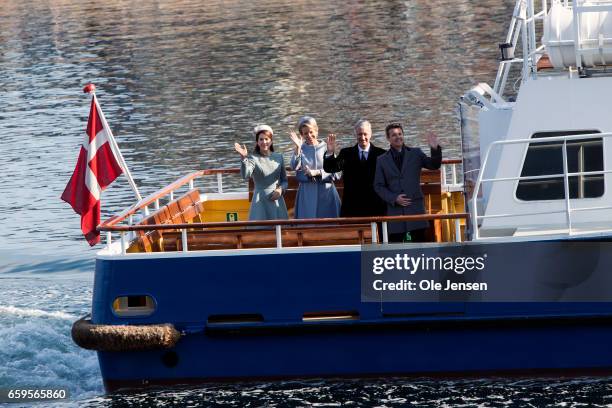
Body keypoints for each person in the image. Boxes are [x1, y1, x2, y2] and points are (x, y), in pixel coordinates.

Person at [374, 122, 442, 243]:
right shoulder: (382, 160)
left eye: (400, 134)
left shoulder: (416, 153)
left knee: (420, 246)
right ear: (388, 138)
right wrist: (394, 198)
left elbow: (434, 165)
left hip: (415, 209)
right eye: (394, 135)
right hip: (395, 212)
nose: (398, 137)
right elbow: (378, 186)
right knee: (396, 248)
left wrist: (435, 148)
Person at [323, 119, 386, 217]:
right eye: (359, 134)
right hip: (352, 206)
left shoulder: (382, 154)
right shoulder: (346, 153)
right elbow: (330, 168)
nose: (363, 137)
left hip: (376, 206)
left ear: (370, 134)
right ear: (355, 135)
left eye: (365, 134)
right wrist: (330, 152)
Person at [289, 116, 341, 219]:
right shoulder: (300, 149)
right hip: (307, 195)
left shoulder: (327, 147)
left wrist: (317, 172)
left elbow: (337, 173)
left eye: (311, 132)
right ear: (302, 135)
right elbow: (294, 167)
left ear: (316, 131)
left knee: (329, 228)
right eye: (305, 133)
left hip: (327, 194)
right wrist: (298, 148)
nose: (309, 135)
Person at [234, 124, 288, 221]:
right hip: (260, 201)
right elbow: (245, 175)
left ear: (271, 141)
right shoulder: (253, 158)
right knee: (260, 231)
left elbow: (284, 181)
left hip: (277, 200)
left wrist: (280, 190)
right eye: (261, 139)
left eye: (266, 139)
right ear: (257, 142)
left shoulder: (279, 157)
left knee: (281, 231)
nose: (264, 142)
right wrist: (244, 158)